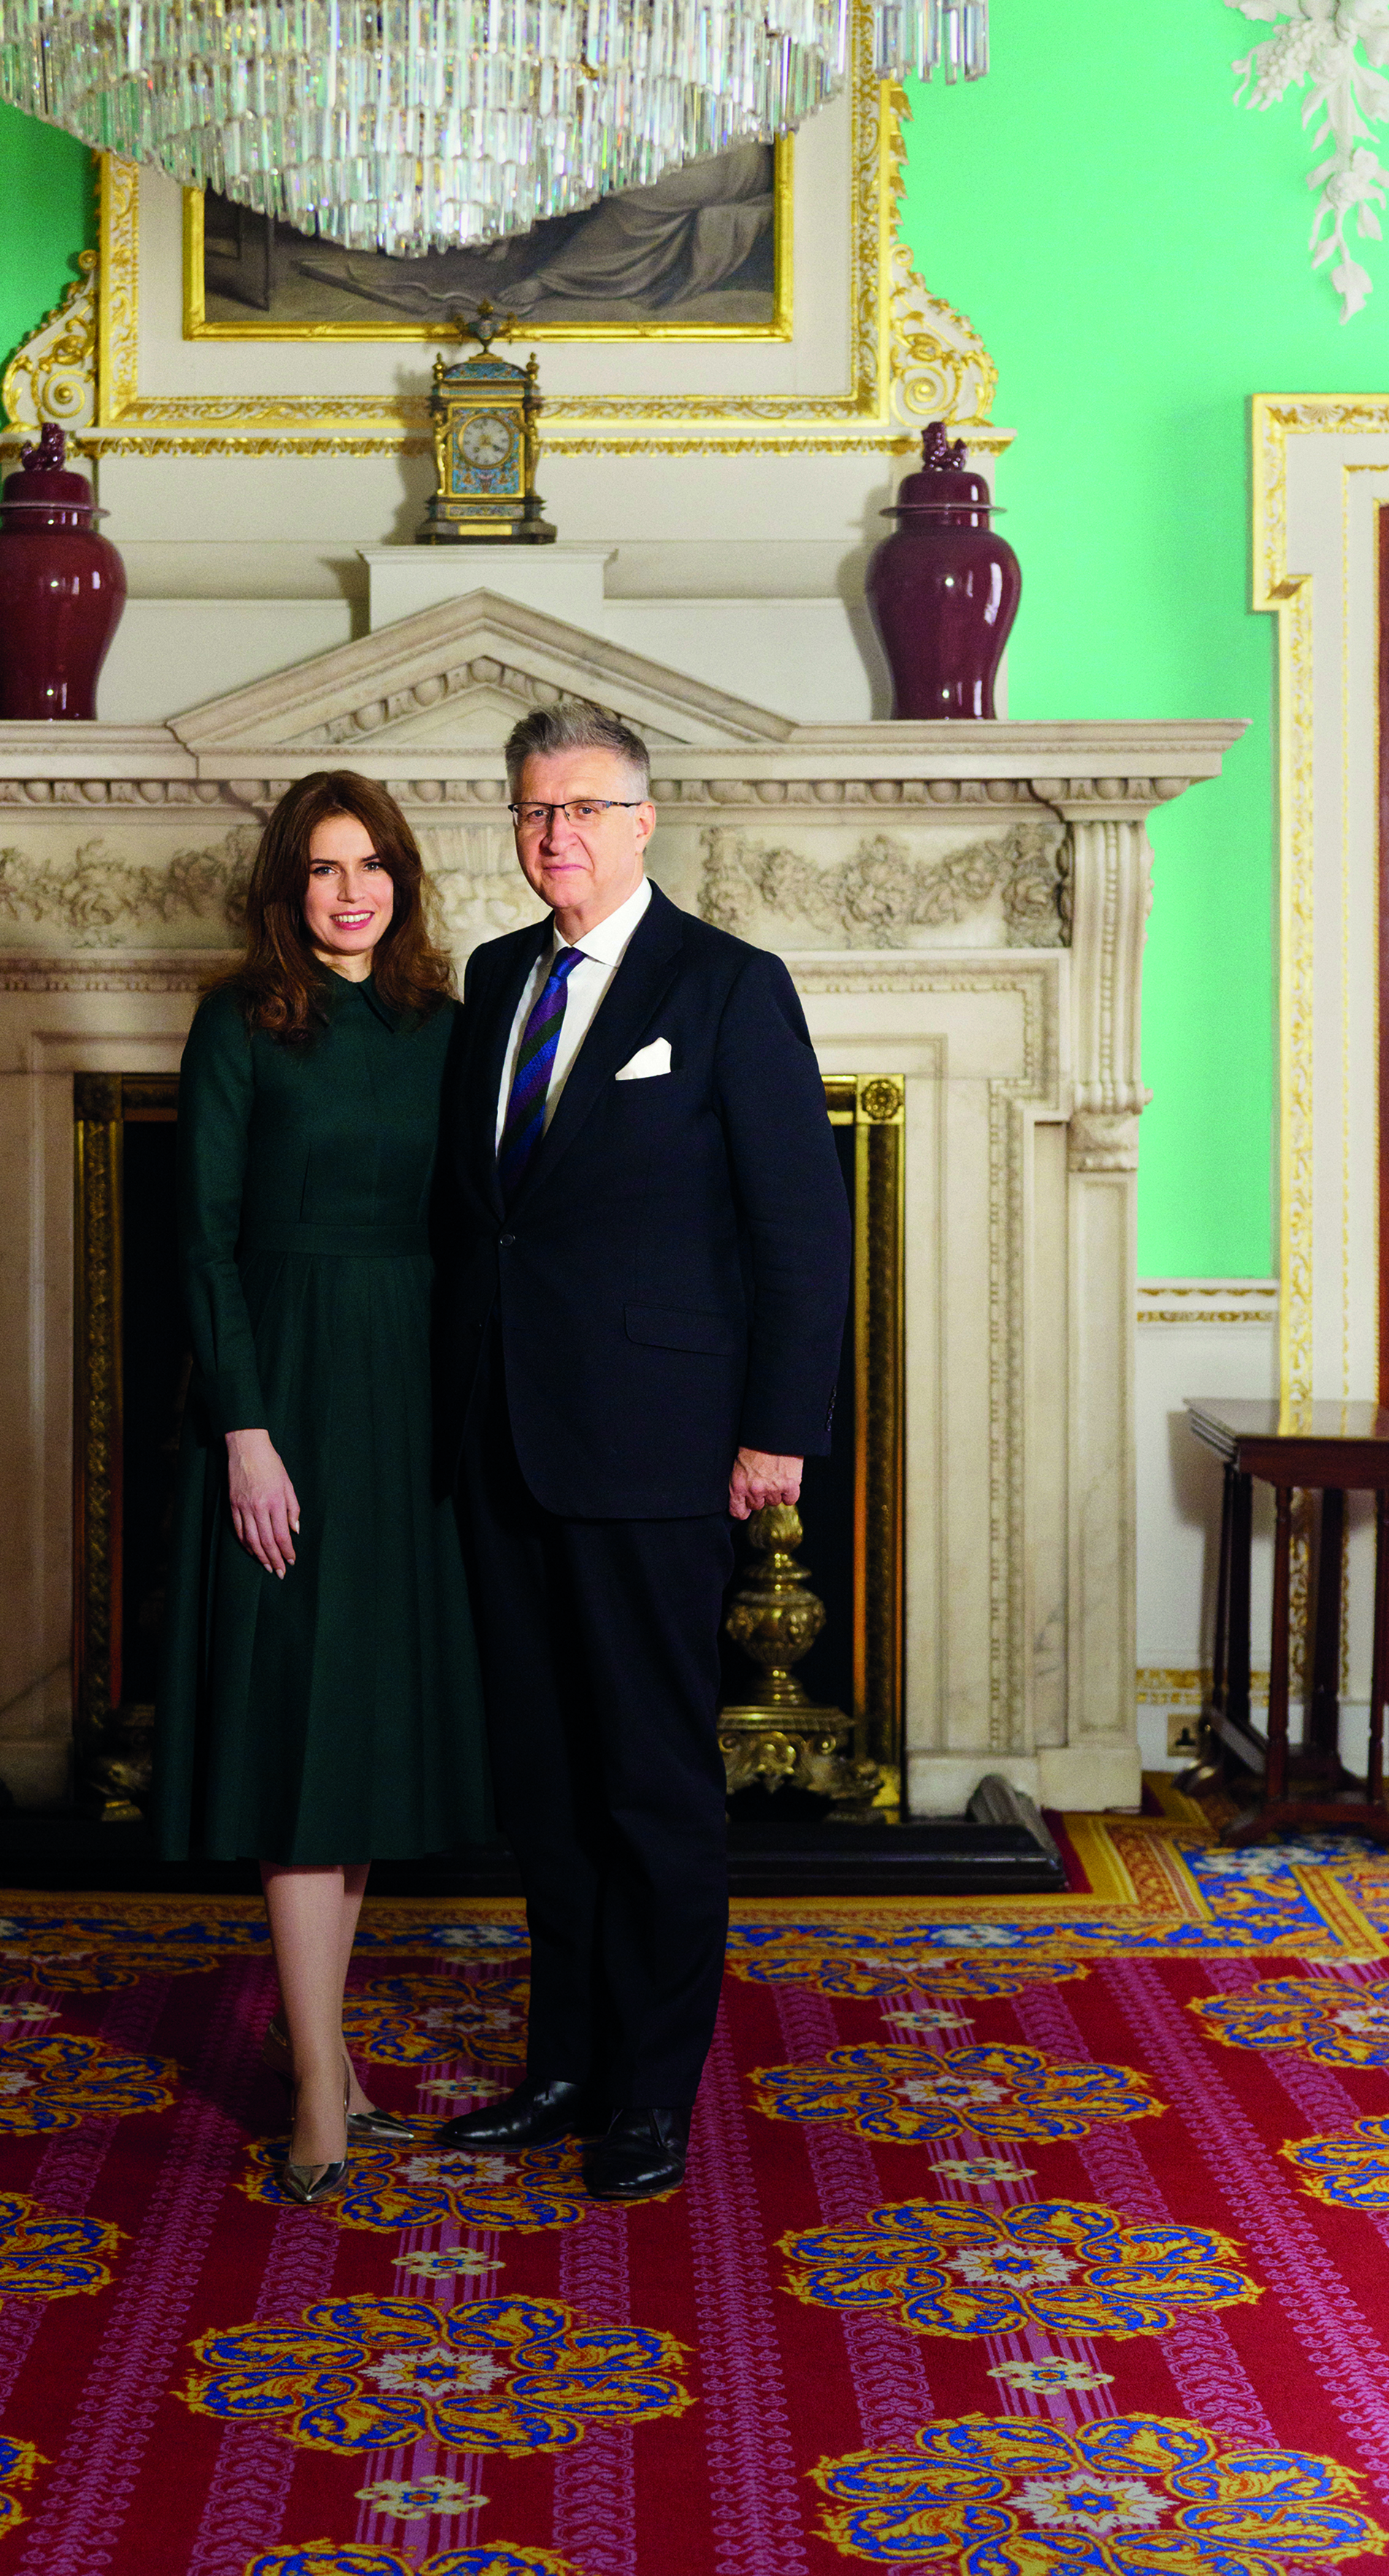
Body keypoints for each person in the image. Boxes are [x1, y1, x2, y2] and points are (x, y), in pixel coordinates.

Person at [434, 697, 851, 2200]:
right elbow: (482, 1221)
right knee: (541, 1782)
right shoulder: (490, 980)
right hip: (502, 1444)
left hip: (660, 1449)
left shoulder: (729, 987)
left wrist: (774, 1433)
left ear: (642, 819)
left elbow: (801, 1230)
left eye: (585, 810)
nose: (557, 837)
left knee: (650, 1782)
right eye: (535, 812)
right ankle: (562, 2065)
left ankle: (650, 2093)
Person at [152, 769, 490, 2204]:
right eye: (321, 869)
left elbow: (485, 1228)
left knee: (351, 1742)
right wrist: (245, 1429)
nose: (349, 890)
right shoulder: (239, 1023)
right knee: (294, 1741)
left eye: (371, 866)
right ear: (286, 889)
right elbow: (201, 1240)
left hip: (406, 1401)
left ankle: (330, 2054)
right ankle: (313, 2085)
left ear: (401, 880)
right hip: (280, 1395)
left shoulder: (446, 1028)